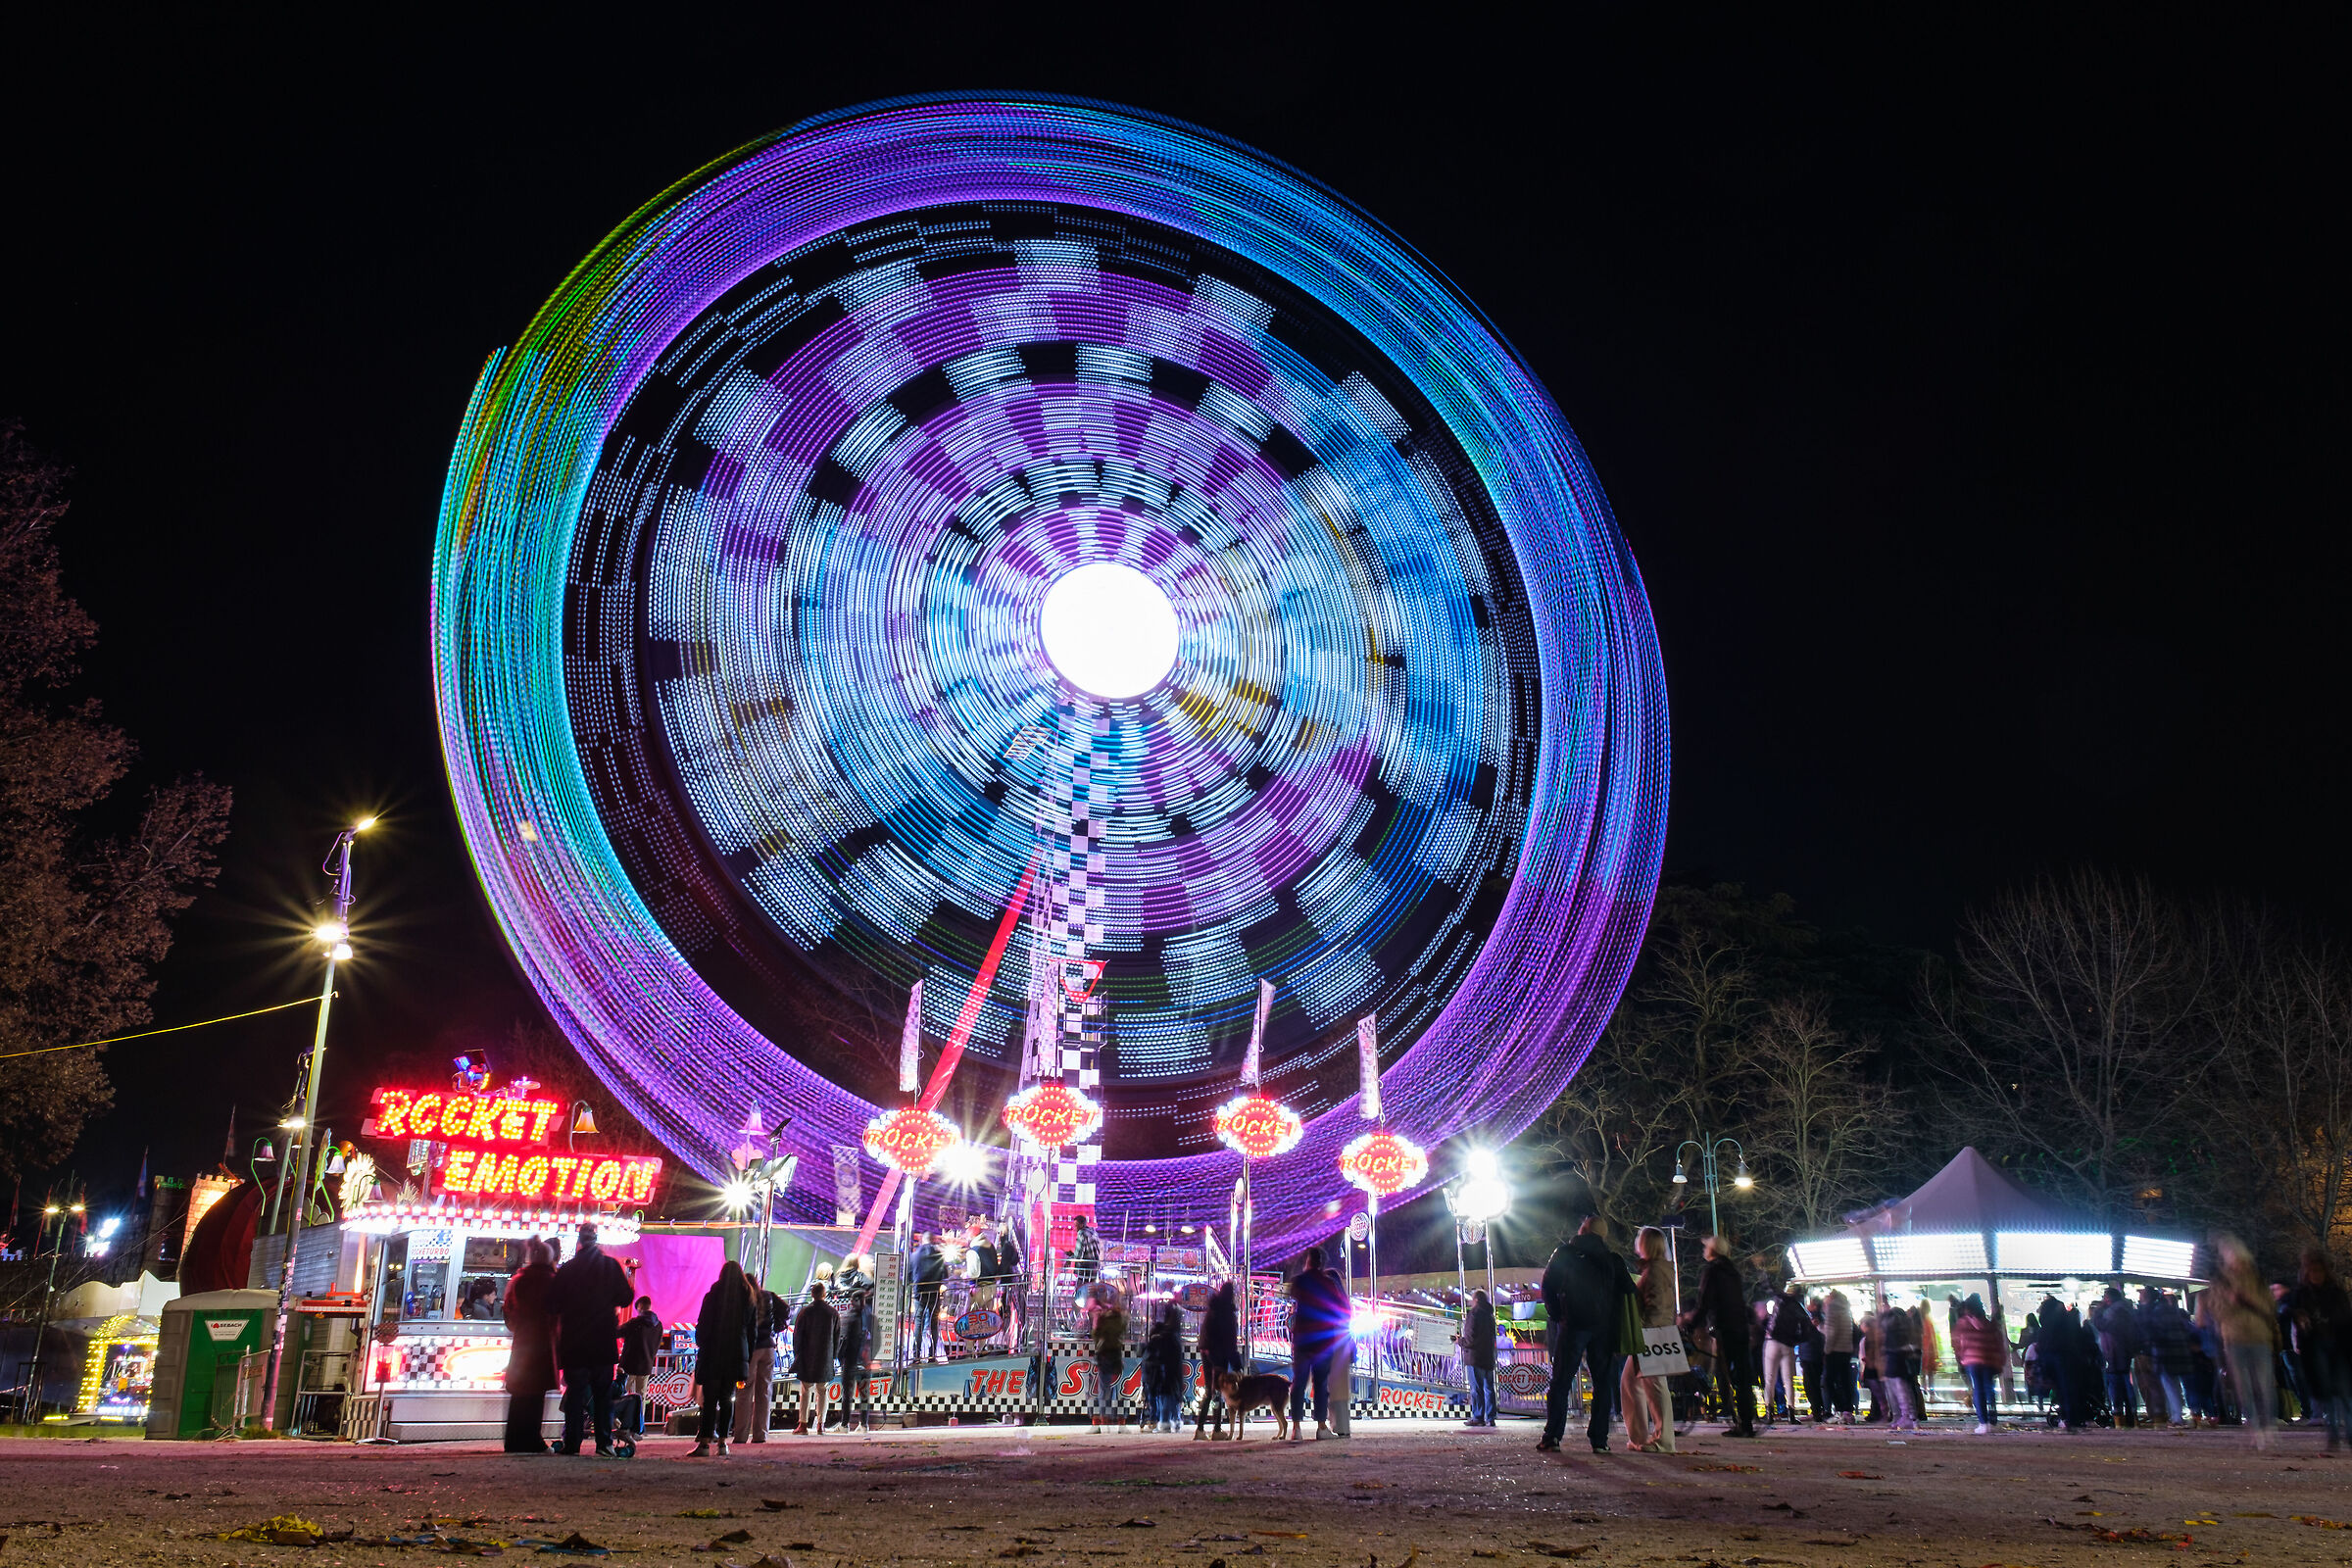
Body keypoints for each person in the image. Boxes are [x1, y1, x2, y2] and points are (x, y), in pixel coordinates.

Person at [1540, 1212, 1635, 1453]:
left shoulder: (1565, 1254)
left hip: (1573, 1324)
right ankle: (1599, 1439)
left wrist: (1556, 1314)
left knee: (1561, 1380)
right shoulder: (1612, 1259)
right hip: (1603, 1328)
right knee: (1603, 1383)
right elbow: (1629, 1290)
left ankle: (1553, 1436)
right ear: (1603, 1234)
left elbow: (1548, 1285)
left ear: (1582, 1230)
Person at [547, 1222, 634, 1456]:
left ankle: (572, 1443)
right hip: (603, 1341)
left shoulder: (568, 1269)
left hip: (574, 1342)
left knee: (576, 1394)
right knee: (603, 1395)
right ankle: (604, 1444)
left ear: (579, 1242)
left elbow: (552, 1304)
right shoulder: (610, 1267)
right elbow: (626, 1298)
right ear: (597, 1241)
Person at [2212, 1235, 2278, 1449]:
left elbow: (2270, 1308)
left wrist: (2250, 1300)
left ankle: (2269, 1425)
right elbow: (2217, 1311)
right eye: (2232, 1259)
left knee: (2265, 1385)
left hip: (2259, 1337)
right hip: (2235, 1339)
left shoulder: (2258, 1281)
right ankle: (2255, 1427)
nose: (2237, 1263)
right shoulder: (2221, 1283)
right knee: (2244, 1388)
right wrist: (2230, 1302)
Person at [1688, 1235, 1756, 1439]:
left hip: (1724, 1327)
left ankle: (1741, 1423)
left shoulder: (1712, 1270)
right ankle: (1746, 1421)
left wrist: (1691, 1324)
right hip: (1740, 1326)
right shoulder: (1732, 1271)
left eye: (1706, 1247)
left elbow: (1704, 1301)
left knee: (1727, 1373)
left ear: (1713, 1250)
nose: (1703, 1251)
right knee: (1741, 1375)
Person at [1285, 1248, 1352, 1441]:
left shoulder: (1300, 1281)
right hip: (1323, 1340)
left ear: (1308, 1261)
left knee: (1299, 1382)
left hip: (1303, 1339)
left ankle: (1296, 1428)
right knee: (1320, 1383)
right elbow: (1343, 1311)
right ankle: (1321, 1426)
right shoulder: (1329, 1284)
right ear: (1321, 1263)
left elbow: (1292, 1293)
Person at [2288, 1249, 2352, 1451]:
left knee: (2344, 1391)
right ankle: (2333, 1435)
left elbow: (2345, 1319)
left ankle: (2349, 1434)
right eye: (2312, 1271)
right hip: (2316, 1347)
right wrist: (2298, 1319)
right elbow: (2287, 1311)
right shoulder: (2301, 1294)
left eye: (2319, 1271)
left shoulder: (2335, 1293)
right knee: (2328, 1392)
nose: (2316, 1275)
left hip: (2338, 1346)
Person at [690, 1258, 755, 1457]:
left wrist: (702, 1343)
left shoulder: (713, 1295)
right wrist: (747, 1357)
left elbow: (703, 1325)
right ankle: (722, 1443)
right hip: (735, 1356)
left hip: (713, 1353)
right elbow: (752, 1333)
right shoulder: (748, 1299)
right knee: (727, 1399)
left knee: (709, 1400)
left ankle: (704, 1443)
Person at [1618, 1228, 1675, 1452]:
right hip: (1656, 1333)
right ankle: (1644, 1438)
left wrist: (1645, 1331)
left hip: (1652, 1335)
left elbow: (1656, 1307)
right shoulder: (1660, 1270)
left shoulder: (1654, 1273)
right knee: (1635, 1384)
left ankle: (1662, 1440)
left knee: (1651, 1385)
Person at [501, 1239, 559, 1453]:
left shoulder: (518, 1280)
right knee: (536, 1396)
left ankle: (514, 1440)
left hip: (523, 1342)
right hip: (544, 1344)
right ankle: (533, 1439)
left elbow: (508, 1311)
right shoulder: (553, 1281)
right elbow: (558, 1312)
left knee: (519, 1395)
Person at [1193, 1280, 1244, 1440]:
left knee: (1210, 1391)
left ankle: (1201, 1429)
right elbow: (1230, 1341)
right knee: (1218, 1391)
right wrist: (1237, 1364)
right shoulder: (1227, 1313)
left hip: (1207, 1352)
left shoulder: (1212, 1310)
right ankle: (1216, 1429)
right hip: (1218, 1355)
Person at [1949, 1294, 2006, 1434]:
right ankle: (1993, 1420)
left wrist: (1961, 1356)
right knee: (1989, 1388)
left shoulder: (1962, 1323)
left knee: (1978, 1389)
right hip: (1988, 1359)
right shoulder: (1988, 1323)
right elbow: (1997, 1340)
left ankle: (1983, 1422)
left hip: (1971, 1360)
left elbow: (1957, 1342)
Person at [732, 1284, 781, 1445]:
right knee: (764, 1391)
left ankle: (740, 1435)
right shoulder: (768, 1295)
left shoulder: (745, 1300)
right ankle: (760, 1434)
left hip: (752, 1349)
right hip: (768, 1347)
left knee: (744, 1391)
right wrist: (777, 1327)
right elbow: (786, 1310)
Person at [791, 1280, 840, 1436]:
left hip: (807, 1356)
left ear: (812, 1294)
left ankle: (803, 1424)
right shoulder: (833, 1313)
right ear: (824, 1294)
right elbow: (837, 1337)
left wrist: (797, 1353)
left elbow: (797, 1336)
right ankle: (821, 1424)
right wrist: (833, 1356)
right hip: (825, 1356)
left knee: (805, 1390)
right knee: (823, 1390)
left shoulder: (805, 1312)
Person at [2089, 1287, 2142, 1428]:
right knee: (2128, 1387)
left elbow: (2102, 1325)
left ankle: (2121, 1419)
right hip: (2125, 1353)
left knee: (2117, 1388)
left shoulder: (2114, 1312)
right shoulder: (2127, 1310)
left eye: (2105, 1297)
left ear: (2110, 1298)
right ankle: (2132, 1417)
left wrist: (2098, 1310)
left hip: (2115, 1354)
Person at [2142, 1288, 2196, 1427]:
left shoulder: (2156, 1312)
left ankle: (2177, 1416)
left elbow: (2155, 1332)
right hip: (2177, 1350)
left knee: (2169, 1384)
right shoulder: (2170, 1310)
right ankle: (2180, 1414)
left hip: (2165, 1352)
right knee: (2175, 1384)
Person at [835, 1252, 875, 1434]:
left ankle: (844, 1424)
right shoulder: (870, 1315)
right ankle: (864, 1424)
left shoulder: (848, 1315)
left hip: (850, 1359)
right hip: (865, 1356)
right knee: (864, 1393)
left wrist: (839, 1356)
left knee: (847, 1393)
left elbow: (843, 1338)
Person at [1085, 1280, 1130, 1433]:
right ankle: (1117, 1420)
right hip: (1115, 1353)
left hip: (1104, 1353)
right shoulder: (1117, 1317)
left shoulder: (1102, 1316)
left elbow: (1096, 1334)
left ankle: (1103, 1419)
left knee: (1103, 1389)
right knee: (1115, 1388)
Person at [1763, 1284, 1806, 1425]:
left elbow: (1769, 1286)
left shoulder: (1779, 1300)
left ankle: (1769, 1413)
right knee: (1788, 1381)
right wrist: (1796, 1340)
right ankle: (1791, 1415)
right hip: (1788, 1345)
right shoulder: (1799, 1308)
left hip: (1772, 1342)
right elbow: (1807, 1330)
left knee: (1769, 1380)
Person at [618, 1296, 662, 1438]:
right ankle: (638, 1427)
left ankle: (620, 1424)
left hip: (629, 1365)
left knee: (621, 1393)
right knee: (641, 1397)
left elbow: (618, 1332)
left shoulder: (635, 1322)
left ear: (639, 1307)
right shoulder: (658, 1325)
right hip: (646, 1364)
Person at [1875, 1298, 1920, 1431]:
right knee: (1903, 1391)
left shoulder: (1891, 1329)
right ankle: (1910, 1417)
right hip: (1898, 1362)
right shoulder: (1903, 1329)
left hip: (1894, 1362)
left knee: (1900, 1391)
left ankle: (1907, 1417)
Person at [1458, 1288, 1499, 1430]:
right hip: (1488, 1356)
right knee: (1489, 1388)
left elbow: (1470, 1339)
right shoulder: (1490, 1316)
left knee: (1477, 1389)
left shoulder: (1474, 1314)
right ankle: (1491, 1416)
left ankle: (1478, 1417)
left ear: (1475, 1300)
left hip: (1475, 1357)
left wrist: (1459, 1341)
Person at [1143, 1300, 1187, 1432]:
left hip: (1165, 1366)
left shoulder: (1165, 1331)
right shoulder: (1175, 1330)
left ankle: (1166, 1421)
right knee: (1172, 1392)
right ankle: (1175, 1419)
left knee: (1165, 1393)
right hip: (1174, 1365)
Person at [909, 1232, 949, 1362]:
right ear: (932, 1240)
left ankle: (917, 1354)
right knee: (933, 1323)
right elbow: (945, 1274)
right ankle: (932, 1354)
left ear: (922, 1240)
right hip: (934, 1293)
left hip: (919, 1293)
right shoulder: (938, 1255)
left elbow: (909, 1274)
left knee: (919, 1321)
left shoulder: (914, 1255)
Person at [1821, 1288, 1857, 1424]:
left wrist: (1826, 1350)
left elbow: (1831, 1332)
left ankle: (1840, 1409)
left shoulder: (1832, 1308)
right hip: (1846, 1349)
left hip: (1834, 1350)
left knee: (1828, 1381)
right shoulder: (1846, 1309)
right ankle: (1848, 1410)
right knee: (1845, 1381)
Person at [1068, 1213, 1102, 1307]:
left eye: (1076, 1225)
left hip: (1084, 1272)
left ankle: (1072, 1320)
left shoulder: (1082, 1234)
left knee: (1078, 1296)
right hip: (1094, 1270)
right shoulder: (1093, 1232)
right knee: (1092, 1297)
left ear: (1081, 1225)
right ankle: (1092, 1320)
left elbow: (1079, 1255)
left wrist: (1070, 1257)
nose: (1074, 1228)